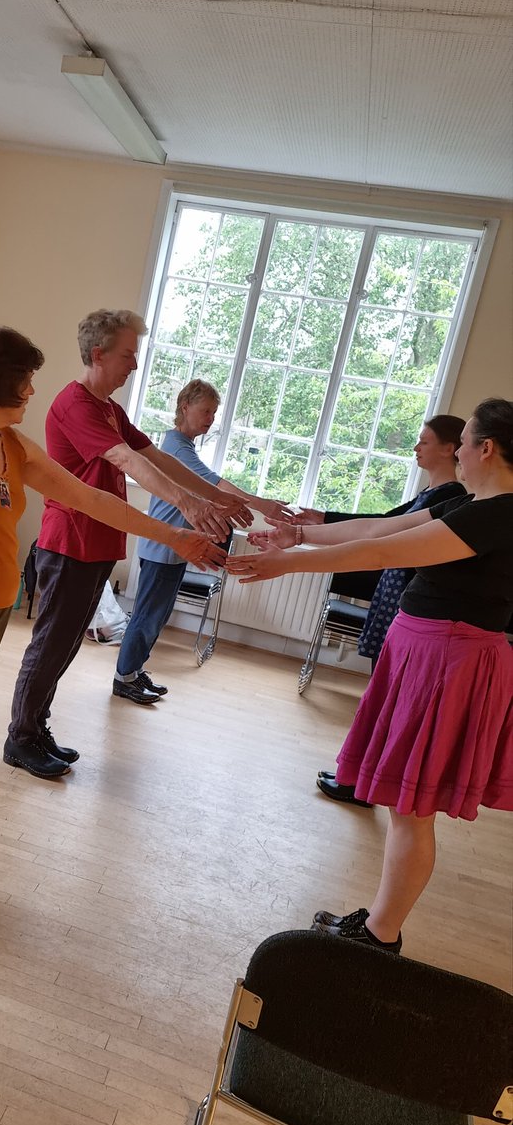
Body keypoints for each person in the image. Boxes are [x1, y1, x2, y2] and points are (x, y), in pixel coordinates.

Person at [0, 325, 226, 858]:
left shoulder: (9, 444)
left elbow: (90, 499)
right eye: (26, 380)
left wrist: (175, 535)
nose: (32, 391)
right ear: (0, 383)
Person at [227, 397, 513, 954]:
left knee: (411, 808)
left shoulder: (498, 515)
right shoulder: (472, 503)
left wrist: (286, 561)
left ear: (486, 448)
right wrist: (297, 538)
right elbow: (382, 528)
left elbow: (384, 551)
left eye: (463, 442)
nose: (454, 453)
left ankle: (381, 934)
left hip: (446, 660)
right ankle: (381, 921)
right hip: (431, 653)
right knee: (406, 806)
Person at [4, 309, 252, 779]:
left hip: (96, 545)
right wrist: (189, 507)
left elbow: (154, 456)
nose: (134, 364)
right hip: (69, 542)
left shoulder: (110, 409)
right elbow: (125, 460)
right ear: (98, 354)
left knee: (67, 643)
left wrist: (215, 497)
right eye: (127, 355)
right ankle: (20, 738)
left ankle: (36, 727)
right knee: (51, 643)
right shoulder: (75, 404)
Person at [286, 416, 466, 804]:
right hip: (394, 604)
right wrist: (323, 519)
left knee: (385, 700)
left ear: (449, 449)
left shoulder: (449, 498)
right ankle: (360, 777)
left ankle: (364, 784)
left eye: (424, 441)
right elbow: (379, 523)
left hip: (407, 610)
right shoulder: (431, 494)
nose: (417, 447)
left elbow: (383, 529)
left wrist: (315, 527)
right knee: (379, 695)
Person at [113, 379, 291, 703]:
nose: (210, 419)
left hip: (174, 550)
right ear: (185, 407)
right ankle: (124, 677)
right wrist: (263, 504)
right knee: (146, 616)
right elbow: (216, 486)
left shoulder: (184, 447)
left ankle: (135, 672)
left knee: (156, 617)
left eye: (214, 412)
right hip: (162, 550)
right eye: (205, 410)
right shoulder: (176, 448)